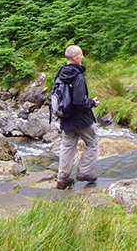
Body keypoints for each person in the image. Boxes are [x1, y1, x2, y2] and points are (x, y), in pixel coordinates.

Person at [55, 45, 101, 189]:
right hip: (81, 120)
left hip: (65, 118)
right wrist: (92, 103)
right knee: (92, 143)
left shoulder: (60, 73)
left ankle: (62, 179)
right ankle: (84, 172)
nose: (83, 57)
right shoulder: (78, 76)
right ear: (74, 57)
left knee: (67, 147)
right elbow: (79, 101)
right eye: (81, 54)